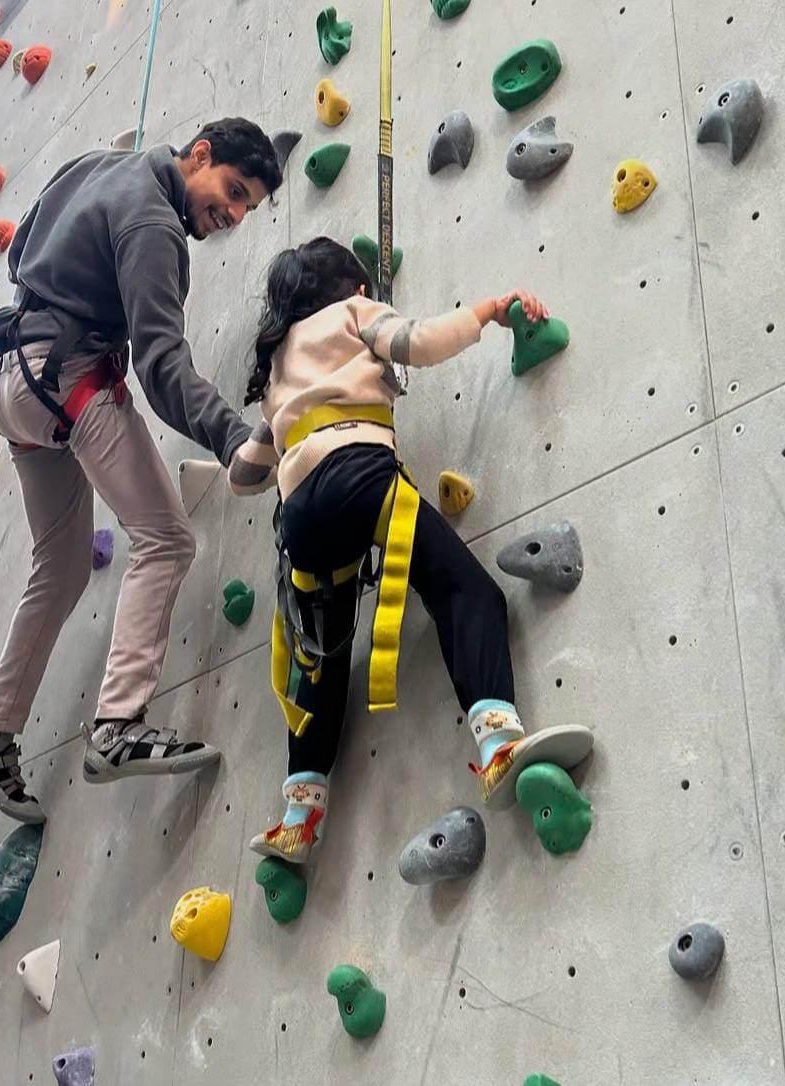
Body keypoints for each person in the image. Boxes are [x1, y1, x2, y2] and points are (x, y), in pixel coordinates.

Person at [0, 118, 283, 824]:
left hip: (14, 383)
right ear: (199, 154)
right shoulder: (154, 225)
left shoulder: (96, 164)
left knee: (62, 566)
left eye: (247, 207)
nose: (233, 215)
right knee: (167, 539)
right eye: (232, 191)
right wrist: (233, 438)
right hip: (67, 377)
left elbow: (23, 250)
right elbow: (161, 365)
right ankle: (118, 725)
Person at [226, 237, 593, 865]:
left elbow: (243, 475)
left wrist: (282, 423)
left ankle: (299, 816)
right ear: (354, 288)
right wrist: (489, 310)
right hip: (359, 477)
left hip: (301, 520)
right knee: (464, 591)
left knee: (321, 664)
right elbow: (420, 342)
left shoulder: (279, 372)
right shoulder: (353, 313)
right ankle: (497, 743)